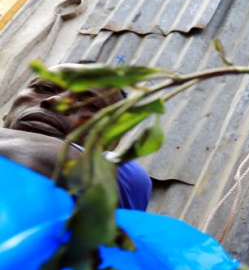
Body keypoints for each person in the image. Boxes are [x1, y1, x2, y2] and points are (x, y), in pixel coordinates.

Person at [0, 62, 152, 211]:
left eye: (91, 104)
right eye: (45, 88)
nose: (55, 101)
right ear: (8, 111)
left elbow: (34, 158)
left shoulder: (122, 172)